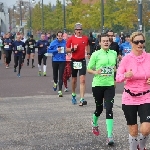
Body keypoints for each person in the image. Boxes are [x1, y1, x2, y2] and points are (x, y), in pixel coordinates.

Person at [116, 32, 150, 150]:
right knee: (133, 130)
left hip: (146, 96)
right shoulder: (126, 59)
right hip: (129, 98)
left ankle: (141, 146)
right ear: (131, 43)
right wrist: (126, 75)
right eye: (137, 42)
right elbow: (118, 77)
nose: (140, 44)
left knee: (146, 129)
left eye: (142, 42)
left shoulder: (149, 57)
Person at [87, 34, 117, 145]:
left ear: (110, 42)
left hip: (109, 85)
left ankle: (109, 136)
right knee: (99, 109)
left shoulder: (114, 53)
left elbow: (114, 67)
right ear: (99, 43)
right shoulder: (95, 54)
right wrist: (96, 72)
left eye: (107, 41)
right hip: (98, 85)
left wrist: (115, 72)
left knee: (109, 108)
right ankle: (94, 122)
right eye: (103, 41)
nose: (106, 42)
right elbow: (89, 69)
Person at [66, 22, 90, 106]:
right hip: (74, 61)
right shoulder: (71, 39)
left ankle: (82, 98)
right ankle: (73, 94)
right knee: (74, 80)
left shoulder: (85, 38)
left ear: (82, 30)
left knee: (82, 80)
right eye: (77, 30)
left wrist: (89, 53)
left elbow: (88, 45)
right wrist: (72, 49)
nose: (79, 31)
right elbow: (67, 49)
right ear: (75, 31)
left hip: (82, 60)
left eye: (80, 29)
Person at [47, 31, 66, 97]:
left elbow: (68, 49)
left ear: (63, 36)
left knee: (61, 76)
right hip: (55, 60)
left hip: (62, 60)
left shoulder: (65, 42)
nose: (60, 37)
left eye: (61, 36)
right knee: (55, 75)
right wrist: (56, 50)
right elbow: (48, 51)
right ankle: (55, 82)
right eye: (59, 36)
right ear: (57, 36)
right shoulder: (53, 42)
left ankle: (60, 90)